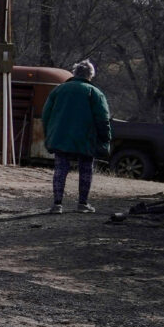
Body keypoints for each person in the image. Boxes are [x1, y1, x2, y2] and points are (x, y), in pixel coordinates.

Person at [42, 60, 110, 213]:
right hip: (86, 138)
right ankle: (82, 204)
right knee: (86, 169)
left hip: (61, 137)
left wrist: (49, 135)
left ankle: (57, 204)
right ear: (90, 75)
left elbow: (46, 115)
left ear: (74, 73)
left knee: (60, 170)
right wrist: (105, 139)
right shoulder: (95, 93)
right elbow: (103, 119)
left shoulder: (58, 90)